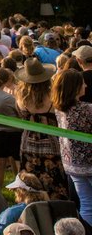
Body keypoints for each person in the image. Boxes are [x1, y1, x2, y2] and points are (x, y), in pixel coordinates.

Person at [14, 58, 65, 199]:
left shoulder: (20, 97)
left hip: (28, 142)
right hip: (51, 141)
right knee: (54, 178)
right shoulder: (52, 96)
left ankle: (30, 202)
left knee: (30, 177)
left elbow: (19, 114)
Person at [51, 69, 92, 225]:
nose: (86, 85)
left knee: (87, 204)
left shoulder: (59, 109)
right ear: (74, 87)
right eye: (82, 83)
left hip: (73, 164)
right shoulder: (87, 110)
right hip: (89, 163)